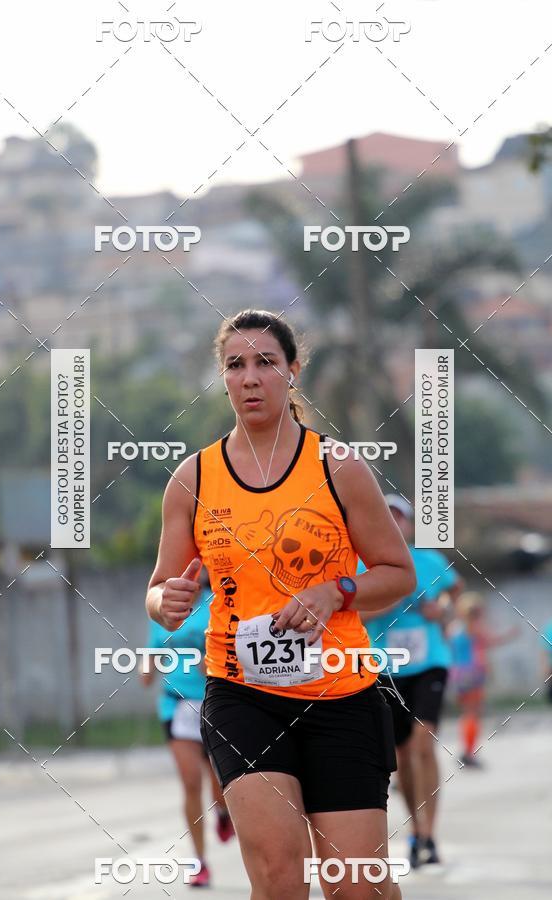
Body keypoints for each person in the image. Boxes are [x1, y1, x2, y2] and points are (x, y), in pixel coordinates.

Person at [146, 309, 417, 900]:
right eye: (235, 365)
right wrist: (167, 602)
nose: (250, 377)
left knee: (357, 888)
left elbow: (399, 574)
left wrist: (336, 590)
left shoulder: (339, 467)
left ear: (292, 372)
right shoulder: (192, 478)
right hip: (243, 695)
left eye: (266, 362)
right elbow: (159, 588)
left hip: (342, 695)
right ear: (223, 378)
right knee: (277, 877)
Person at [360, 495, 464, 870]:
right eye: (386, 517)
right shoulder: (361, 564)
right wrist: (389, 600)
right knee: (402, 756)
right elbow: (352, 614)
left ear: (409, 524)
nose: (394, 524)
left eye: (399, 517)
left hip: (429, 663)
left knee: (423, 742)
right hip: (384, 667)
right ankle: (417, 829)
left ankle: (430, 832)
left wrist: (446, 612)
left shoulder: (430, 560)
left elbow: (456, 595)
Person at [141, 565, 235, 888]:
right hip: (176, 703)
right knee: (190, 781)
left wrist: (208, 662)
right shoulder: (167, 607)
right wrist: (146, 669)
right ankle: (199, 861)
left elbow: (227, 649)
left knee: (219, 784)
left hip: (213, 702)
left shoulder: (217, 604)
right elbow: (152, 647)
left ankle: (223, 813)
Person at [449, 592, 519, 766]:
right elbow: (491, 641)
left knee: (466, 713)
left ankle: (467, 750)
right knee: (473, 713)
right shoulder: (474, 627)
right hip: (473, 672)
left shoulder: (453, 627)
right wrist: (511, 634)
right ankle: (468, 752)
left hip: (457, 673)